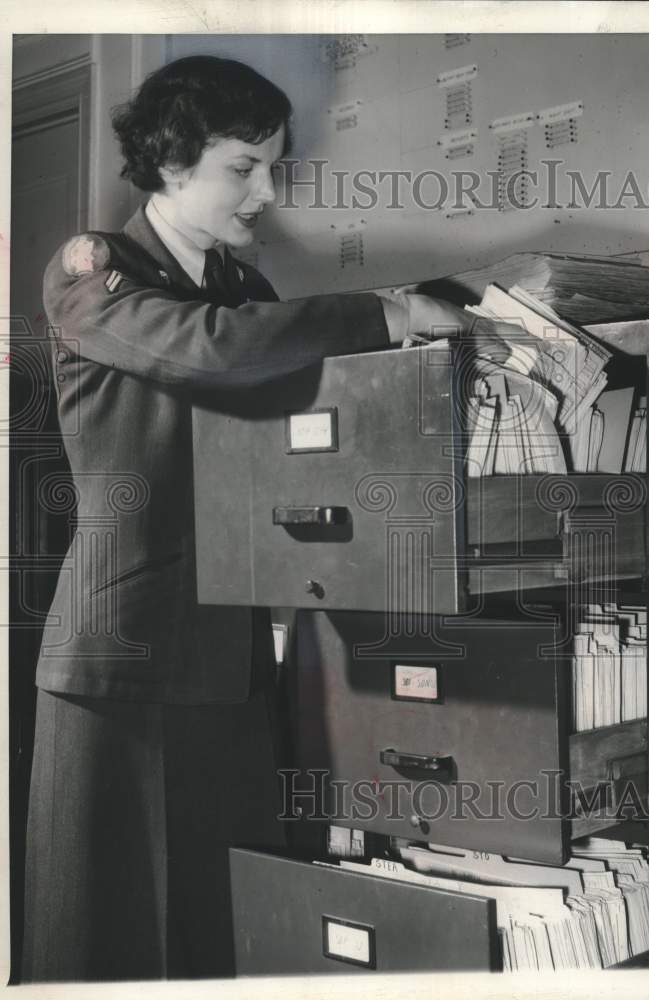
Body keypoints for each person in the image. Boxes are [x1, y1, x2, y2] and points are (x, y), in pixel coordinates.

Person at [21, 54, 498, 982]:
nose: (265, 192)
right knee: (104, 936)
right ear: (170, 165)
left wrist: (465, 307)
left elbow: (304, 398)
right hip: (125, 653)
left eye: (272, 167)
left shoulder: (247, 291)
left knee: (220, 921)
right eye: (244, 167)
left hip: (238, 655)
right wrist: (387, 310)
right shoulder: (93, 270)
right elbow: (215, 355)